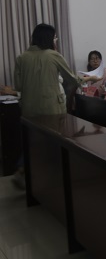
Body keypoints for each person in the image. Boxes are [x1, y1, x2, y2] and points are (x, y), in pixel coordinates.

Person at [10, 24, 94, 189]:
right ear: (49, 38)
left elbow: (18, 86)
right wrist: (90, 79)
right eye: (55, 38)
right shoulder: (53, 55)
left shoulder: (22, 58)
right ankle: (55, 181)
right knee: (53, 143)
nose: (56, 41)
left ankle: (23, 170)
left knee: (33, 141)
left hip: (28, 108)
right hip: (51, 108)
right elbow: (73, 80)